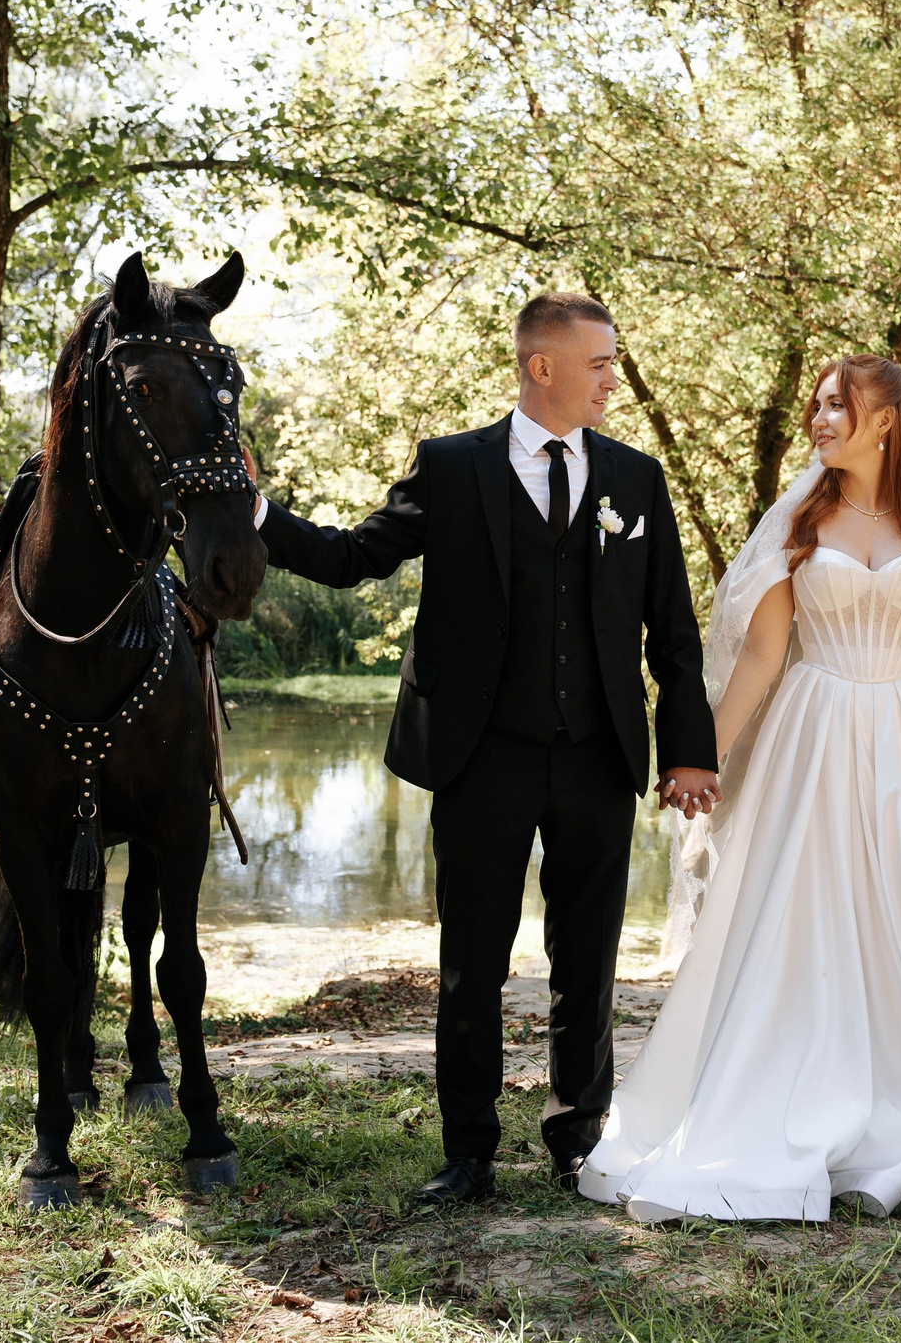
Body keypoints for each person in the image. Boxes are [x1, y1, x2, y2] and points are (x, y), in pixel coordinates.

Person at [577, 354, 901, 1223]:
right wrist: (700, 759)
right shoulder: (802, 520)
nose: (818, 418)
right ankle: (781, 1104)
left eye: (837, 405)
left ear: (886, 420)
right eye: (815, 404)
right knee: (800, 919)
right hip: (815, 732)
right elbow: (764, 659)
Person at [253, 293, 719, 1204]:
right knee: (475, 956)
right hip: (479, 753)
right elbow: (353, 558)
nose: (612, 379)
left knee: (589, 956)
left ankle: (577, 1139)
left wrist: (688, 750)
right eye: (599, 364)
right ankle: (468, 1152)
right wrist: (256, 511)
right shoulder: (453, 466)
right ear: (540, 367)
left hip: (597, 752)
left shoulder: (636, 479)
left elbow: (673, 631)